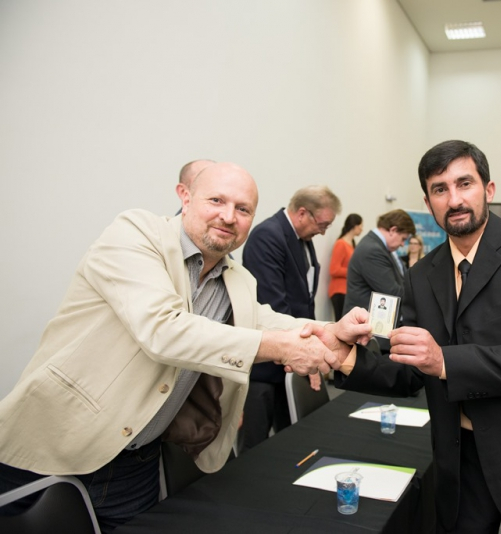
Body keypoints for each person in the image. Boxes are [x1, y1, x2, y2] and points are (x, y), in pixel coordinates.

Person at [0, 163, 370, 532]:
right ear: (185, 196)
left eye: (243, 209)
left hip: (137, 464)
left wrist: (328, 331)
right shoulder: (134, 234)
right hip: (54, 446)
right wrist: (281, 348)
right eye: (216, 201)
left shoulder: (238, 278)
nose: (229, 216)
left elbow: (262, 320)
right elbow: (164, 329)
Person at [332, 140, 501, 533]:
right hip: (460, 464)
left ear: (489, 190)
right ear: (428, 203)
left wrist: (444, 361)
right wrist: (343, 357)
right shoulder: (421, 275)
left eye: (465, 183)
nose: (455, 199)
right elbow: (412, 372)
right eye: (440, 189)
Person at [240, 185, 342, 450]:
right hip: (266, 365)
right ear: (302, 213)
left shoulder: (302, 239)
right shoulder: (267, 236)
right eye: (322, 224)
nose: (323, 232)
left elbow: (305, 300)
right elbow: (273, 304)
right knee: (255, 443)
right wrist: (306, 350)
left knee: (292, 440)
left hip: (292, 357)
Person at [342, 209, 415, 317]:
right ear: (393, 230)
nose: (402, 244)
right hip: (363, 321)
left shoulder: (378, 247)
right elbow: (392, 292)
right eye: (403, 239)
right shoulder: (373, 250)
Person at [329, 213, 363, 321]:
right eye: (361, 226)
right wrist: (354, 272)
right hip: (339, 291)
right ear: (355, 226)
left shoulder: (352, 244)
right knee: (341, 322)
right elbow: (334, 270)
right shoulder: (341, 244)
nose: (362, 229)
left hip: (348, 291)